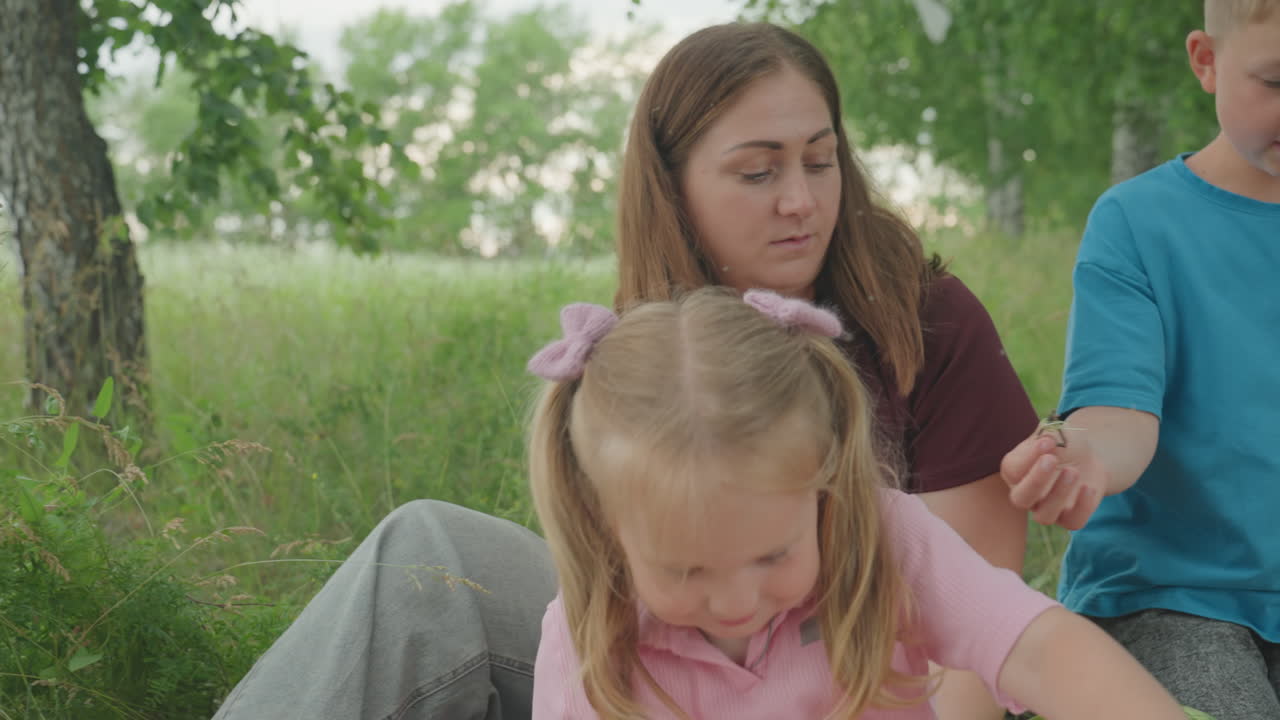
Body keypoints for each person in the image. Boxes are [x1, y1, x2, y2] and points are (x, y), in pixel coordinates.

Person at [214, 22, 1036, 720]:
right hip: (657, 651)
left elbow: (974, 634)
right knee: (423, 548)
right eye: (759, 172)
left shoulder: (923, 316)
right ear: (671, 184)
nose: (801, 201)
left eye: (820, 162)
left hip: (852, 671)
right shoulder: (645, 331)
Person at [525, 287, 1184, 720]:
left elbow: (1042, 650)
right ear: (610, 531)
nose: (734, 604)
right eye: (685, 570)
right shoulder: (590, 635)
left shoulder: (884, 538)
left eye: (773, 554)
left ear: (824, 486)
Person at [998, 2, 1280, 719]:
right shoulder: (1139, 223)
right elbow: (1119, 411)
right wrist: (1085, 453)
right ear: (1206, 61)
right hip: (1171, 594)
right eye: (1276, 81)